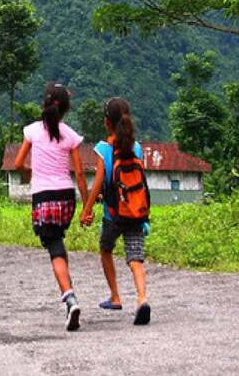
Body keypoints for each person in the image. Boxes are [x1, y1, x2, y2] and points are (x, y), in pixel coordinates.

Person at [15, 82, 89, 331]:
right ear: (66, 108)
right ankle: (68, 288)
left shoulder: (33, 131)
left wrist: (30, 172)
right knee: (58, 241)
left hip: (44, 198)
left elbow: (17, 163)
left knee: (54, 247)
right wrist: (87, 205)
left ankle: (70, 298)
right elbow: (79, 173)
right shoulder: (70, 135)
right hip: (66, 197)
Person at [80, 96, 151, 325]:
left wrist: (86, 211)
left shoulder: (103, 148)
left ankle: (116, 296)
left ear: (107, 123)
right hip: (136, 213)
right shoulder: (137, 147)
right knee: (135, 258)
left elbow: (99, 183)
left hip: (114, 215)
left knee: (105, 248)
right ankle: (142, 299)